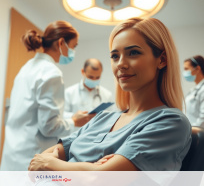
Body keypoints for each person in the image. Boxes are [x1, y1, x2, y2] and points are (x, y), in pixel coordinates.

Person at [28, 18, 192, 177]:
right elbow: (36, 166)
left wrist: (54, 165)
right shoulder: (102, 118)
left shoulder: (170, 122)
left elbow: (100, 179)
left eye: (133, 52)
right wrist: (86, 169)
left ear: (162, 60)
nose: (120, 63)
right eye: (115, 56)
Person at [0, 21, 95, 171]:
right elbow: (49, 127)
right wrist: (73, 122)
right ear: (61, 43)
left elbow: (32, 113)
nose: (73, 51)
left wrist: (70, 117)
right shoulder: (52, 72)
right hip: (32, 157)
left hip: (12, 155)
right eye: (73, 46)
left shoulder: (26, 68)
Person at [183, 55, 204, 127]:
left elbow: (202, 120)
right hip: (191, 132)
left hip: (198, 134)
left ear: (197, 69)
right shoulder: (194, 90)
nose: (184, 72)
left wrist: (189, 130)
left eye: (186, 69)